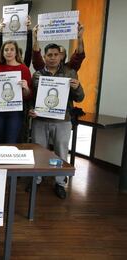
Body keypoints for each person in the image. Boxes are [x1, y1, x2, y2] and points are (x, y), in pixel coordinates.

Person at [29, 43, 84, 199]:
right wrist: (31, 109)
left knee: (60, 153)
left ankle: (60, 183)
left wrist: (77, 87)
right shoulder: (37, 75)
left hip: (63, 121)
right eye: (49, 55)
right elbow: (33, 97)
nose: (52, 58)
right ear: (44, 57)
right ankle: (37, 179)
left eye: (55, 54)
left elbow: (79, 98)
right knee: (38, 151)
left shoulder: (70, 73)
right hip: (40, 120)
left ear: (60, 56)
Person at [0, 40, 32, 143]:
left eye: (12, 50)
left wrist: (26, 88)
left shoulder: (24, 69)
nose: (9, 52)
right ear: (2, 52)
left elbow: (28, 95)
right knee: (0, 140)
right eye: (6, 50)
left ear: (16, 52)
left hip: (15, 111)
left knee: (11, 141)